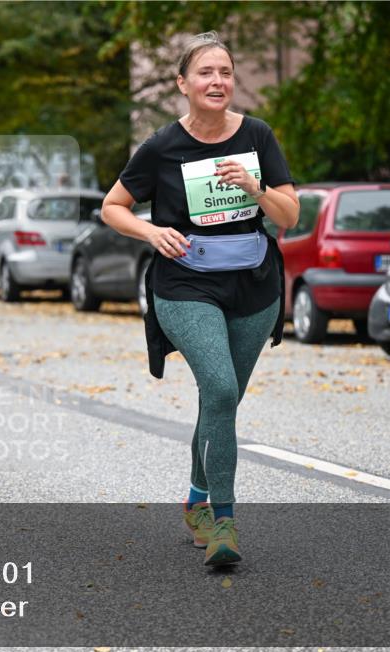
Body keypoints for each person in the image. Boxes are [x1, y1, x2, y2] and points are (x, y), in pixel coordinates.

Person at [101, 32, 300, 567]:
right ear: (183, 83)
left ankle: (195, 497)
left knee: (222, 402)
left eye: (226, 72)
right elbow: (112, 206)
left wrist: (256, 190)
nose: (218, 81)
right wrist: (150, 232)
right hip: (186, 284)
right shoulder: (163, 145)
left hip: (253, 287)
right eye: (206, 73)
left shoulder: (257, 135)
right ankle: (224, 523)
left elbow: (289, 216)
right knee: (218, 384)